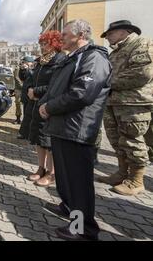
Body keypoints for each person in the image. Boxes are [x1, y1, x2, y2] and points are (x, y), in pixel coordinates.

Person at [39, 19, 112, 241]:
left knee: (79, 184)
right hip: (64, 128)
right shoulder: (73, 57)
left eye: (65, 34)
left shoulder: (94, 58)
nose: (61, 37)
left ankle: (83, 228)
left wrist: (49, 107)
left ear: (80, 35)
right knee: (66, 178)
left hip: (77, 130)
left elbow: (83, 93)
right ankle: (68, 208)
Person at [98, 20, 153, 196]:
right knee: (117, 140)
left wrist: (107, 84)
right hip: (113, 103)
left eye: (110, 34)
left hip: (133, 103)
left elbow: (142, 74)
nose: (107, 37)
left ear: (123, 31)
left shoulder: (142, 44)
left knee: (132, 139)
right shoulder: (115, 52)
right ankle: (122, 173)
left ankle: (136, 180)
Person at [26, 31, 65, 187]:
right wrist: (29, 89)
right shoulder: (40, 61)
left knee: (49, 141)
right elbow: (30, 78)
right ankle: (41, 168)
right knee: (39, 139)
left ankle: (52, 172)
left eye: (45, 44)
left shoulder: (60, 60)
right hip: (36, 104)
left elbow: (56, 85)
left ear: (54, 43)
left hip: (49, 105)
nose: (42, 47)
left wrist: (36, 91)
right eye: (41, 44)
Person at [18, 56, 35, 140]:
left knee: (29, 115)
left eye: (25, 62)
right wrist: (22, 70)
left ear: (30, 62)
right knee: (26, 114)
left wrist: (28, 69)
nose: (24, 63)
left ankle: (27, 133)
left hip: (32, 95)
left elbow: (33, 77)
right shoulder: (26, 69)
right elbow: (22, 78)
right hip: (26, 94)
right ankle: (25, 132)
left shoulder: (34, 68)